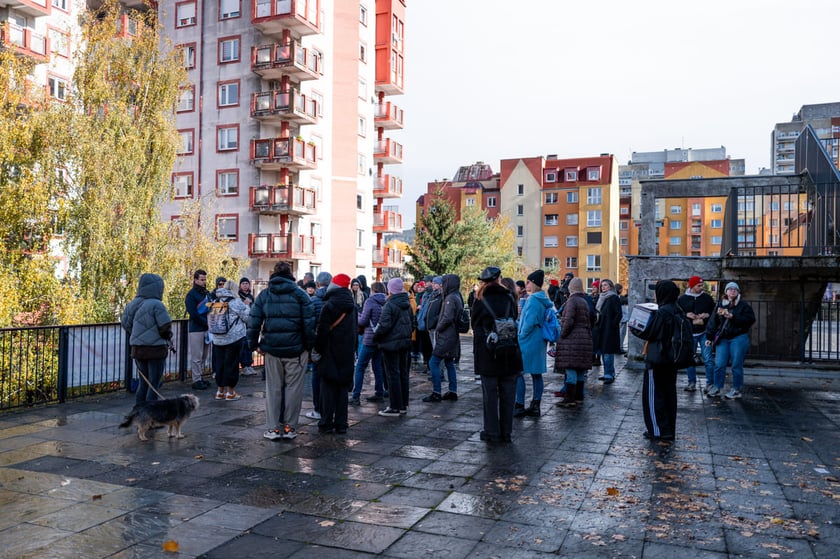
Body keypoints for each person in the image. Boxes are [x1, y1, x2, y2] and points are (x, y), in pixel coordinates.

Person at [248, 262, 316, 441]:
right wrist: (309, 348)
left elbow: (254, 321)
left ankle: (272, 428)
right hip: (296, 349)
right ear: (291, 275)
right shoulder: (301, 295)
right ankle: (290, 427)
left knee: (273, 389)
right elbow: (309, 325)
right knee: (294, 390)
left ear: (273, 274)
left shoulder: (264, 295)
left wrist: (253, 345)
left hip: (272, 349)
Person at [471, 266, 521, 444]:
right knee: (508, 394)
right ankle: (506, 432)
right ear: (499, 278)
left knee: (490, 396)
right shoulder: (510, 296)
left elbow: (475, 327)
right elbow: (514, 319)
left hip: (488, 353)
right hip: (509, 351)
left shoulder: (480, 299)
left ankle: (492, 432)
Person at [633, 280, 680, 442]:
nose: (654, 294)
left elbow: (649, 332)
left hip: (657, 358)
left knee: (653, 396)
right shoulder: (677, 310)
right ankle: (668, 428)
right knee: (669, 395)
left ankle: (657, 430)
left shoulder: (662, 312)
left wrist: (635, 327)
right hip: (671, 359)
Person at [121, 273, 174, 407]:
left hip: (138, 349)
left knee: (143, 382)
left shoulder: (132, 304)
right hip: (155, 350)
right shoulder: (157, 304)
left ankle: (139, 412)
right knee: (154, 383)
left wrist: (138, 335)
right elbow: (165, 326)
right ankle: (151, 416)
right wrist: (166, 337)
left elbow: (125, 324)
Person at [313, 274, 357, 434]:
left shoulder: (329, 305)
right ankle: (341, 424)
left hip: (330, 352)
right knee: (342, 389)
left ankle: (326, 423)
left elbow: (322, 332)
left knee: (328, 388)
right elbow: (354, 330)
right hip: (346, 352)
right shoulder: (352, 305)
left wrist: (317, 349)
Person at [705, 282, 755, 399]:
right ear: (726, 292)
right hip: (723, 338)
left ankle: (736, 389)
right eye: (730, 289)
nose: (732, 291)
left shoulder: (743, 306)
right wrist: (709, 337)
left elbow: (750, 320)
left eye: (735, 289)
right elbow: (713, 322)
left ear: (738, 292)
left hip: (738, 337)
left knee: (736, 365)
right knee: (719, 364)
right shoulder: (720, 305)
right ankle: (717, 387)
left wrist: (733, 317)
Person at [374, 278, 415, 417]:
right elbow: (412, 323)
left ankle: (394, 406)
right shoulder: (407, 304)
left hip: (391, 344)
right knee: (403, 373)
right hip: (405, 343)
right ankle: (403, 404)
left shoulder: (389, 305)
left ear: (390, 290)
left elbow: (383, 325)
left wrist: (376, 337)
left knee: (393, 375)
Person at [514, 270, 552, 418]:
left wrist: (521, 335)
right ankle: (535, 405)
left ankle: (519, 404)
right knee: (536, 374)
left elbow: (529, 322)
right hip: (538, 339)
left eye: (528, 282)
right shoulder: (542, 299)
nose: (526, 284)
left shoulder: (533, 300)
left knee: (519, 372)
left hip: (529, 339)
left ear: (534, 283)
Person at [422, 274, 462, 403]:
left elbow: (447, 317)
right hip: (451, 335)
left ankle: (436, 392)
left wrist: (438, 327)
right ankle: (452, 390)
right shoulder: (456, 296)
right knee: (449, 362)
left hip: (446, 336)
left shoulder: (450, 298)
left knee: (433, 362)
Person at [554, 277, 593, 407]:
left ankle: (569, 399)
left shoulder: (572, 301)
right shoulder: (583, 301)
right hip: (584, 339)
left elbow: (568, 320)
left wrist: (562, 334)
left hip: (573, 340)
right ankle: (579, 397)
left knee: (571, 368)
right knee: (580, 369)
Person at [210, 280, 250, 401]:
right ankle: (230, 392)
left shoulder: (215, 301)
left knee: (220, 364)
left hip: (217, 338)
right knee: (231, 365)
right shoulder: (236, 302)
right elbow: (247, 317)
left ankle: (219, 391)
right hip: (233, 338)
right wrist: (247, 304)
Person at [677, 276, 716, 392]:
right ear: (692, 286)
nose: (701, 287)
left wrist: (707, 315)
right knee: (690, 358)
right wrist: (686, 315)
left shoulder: (707, 298)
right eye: (698, 286)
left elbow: (714, 313)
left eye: (701, 285)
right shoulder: (682, 299)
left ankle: (710, 383)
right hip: (689, 332)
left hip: (704, 332)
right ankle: (691, 382)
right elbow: (677, 313)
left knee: (708, 358)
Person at [351, 281, 387, 405]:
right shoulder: (386, 301)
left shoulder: (370, 301)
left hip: (369, 339)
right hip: (381, 338)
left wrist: (357, 315)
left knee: (360, 366)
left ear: (373, 290)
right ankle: (379, 393)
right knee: (377, 366)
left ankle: (356, 396)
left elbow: (362, 321)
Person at [306, 271, 331, 421]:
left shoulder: (314, 300)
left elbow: (309, 322)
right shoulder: (335, 299)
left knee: (316, 374)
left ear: (317, 284)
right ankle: (329, 407)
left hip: (317, 341)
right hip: (333, 341)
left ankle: (318, 408)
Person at [185, 269, 211, 390]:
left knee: (204, 355)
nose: (204, 282)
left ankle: (200, 377)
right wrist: (206, 323)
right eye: (201, 280)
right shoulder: (191, 295)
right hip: (196, 328)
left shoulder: (206, 293)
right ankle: (196, 380)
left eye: (205, 279)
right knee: (197, 356)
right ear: (195, 280)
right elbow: (193, 314)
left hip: (206, 328)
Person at [593, 279, 622, 384]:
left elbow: (618, 314)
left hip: (609, 330)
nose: (603, 287)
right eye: (602, 285)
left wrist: (612, 325)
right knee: (604, 351)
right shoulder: (601, 297)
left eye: (605, 285)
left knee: (608, 352)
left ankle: (609, 374)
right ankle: (608, 373)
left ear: (610, 286)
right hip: (601, 328)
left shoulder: (613, 297)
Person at [237, 278, 257, 377]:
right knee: (243, 345)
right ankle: (244, 366)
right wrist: (245, 305)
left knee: (249, 345)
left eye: (246, 283)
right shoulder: (238, 296)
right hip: (241, 324)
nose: (245, 285)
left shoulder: (250, 296)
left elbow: (254, 307)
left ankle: (249, 364)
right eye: (243, 283)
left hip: (250, 323)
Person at [615, 283, 629, 353]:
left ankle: (617, 347)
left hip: (618, 319)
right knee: (622, 334)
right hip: (622, 319)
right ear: (620, 290)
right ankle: (619, 348)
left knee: (617, 334)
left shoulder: (613, 297)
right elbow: (626, 300)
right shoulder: (619, 298)